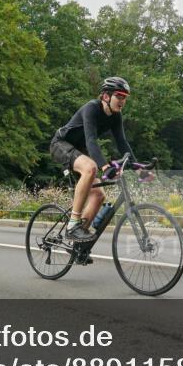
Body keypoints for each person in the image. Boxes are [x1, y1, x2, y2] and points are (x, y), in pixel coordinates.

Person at [50, 76, 135, 265]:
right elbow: (91, 140)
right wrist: (105, 166)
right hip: (61, 144)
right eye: (119, 96)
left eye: (125, 97)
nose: (122, 101)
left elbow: (122, 142)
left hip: (79, 150)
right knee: (90, 168)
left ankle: (79, 245)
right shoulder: (91, 108)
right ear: (106, 96)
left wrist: (138, 167)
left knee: (98, 195)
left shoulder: (116, 116)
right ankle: (73, 224)